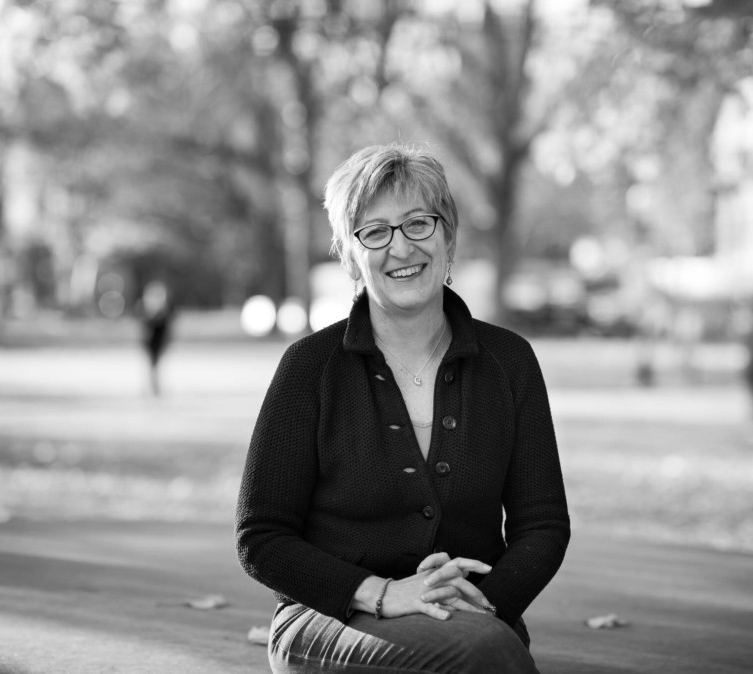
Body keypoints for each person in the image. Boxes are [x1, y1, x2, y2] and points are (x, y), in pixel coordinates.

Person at [236, 144, 571, 673]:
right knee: (483, 656)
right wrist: (383, 593)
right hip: (330, 618)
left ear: (449, 237)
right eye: (375, 231)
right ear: (350, 254)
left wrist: (487, 605)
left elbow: (544, 524)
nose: (401, 247)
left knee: (480, 651)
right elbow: (260, 537)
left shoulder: (509, 361)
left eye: (418, 223)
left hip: (474, 624)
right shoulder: (309, 367)